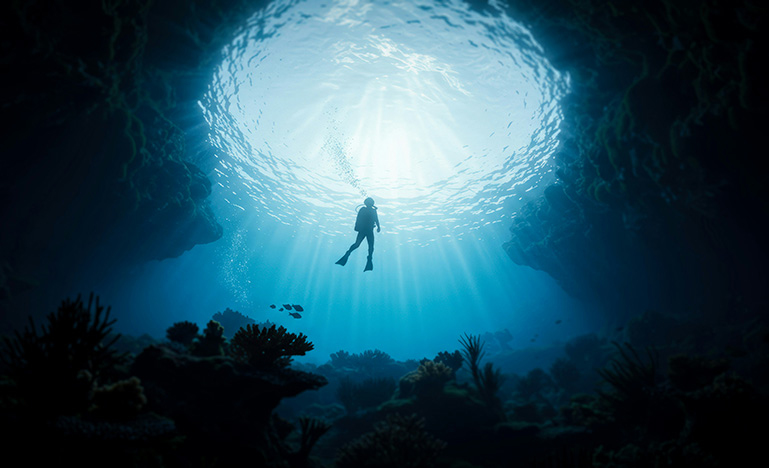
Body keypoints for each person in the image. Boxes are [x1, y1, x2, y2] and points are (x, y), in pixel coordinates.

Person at [336, 197, 380, 271]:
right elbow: (358, 218)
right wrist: (356, 226)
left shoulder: (373, 211)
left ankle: (369, 258)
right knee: (358, 244)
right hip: (364, 230)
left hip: (368, 230)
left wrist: (379, 227)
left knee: (370, 246)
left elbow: (376, 219)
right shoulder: (364, 209)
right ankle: (348, 253)